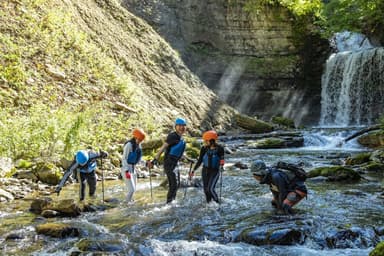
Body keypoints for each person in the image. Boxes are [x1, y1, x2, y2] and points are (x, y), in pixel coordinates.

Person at [151, 117, 191, 204]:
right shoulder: (172, 136)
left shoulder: (181, 138)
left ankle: (172, 201)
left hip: (175, 164)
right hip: (169, 163)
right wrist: (155, 158)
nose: (182, 127)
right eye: (179, 125)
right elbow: (164, 147)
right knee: (173, 184)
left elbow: (179, 152)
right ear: (175, 127)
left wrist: (188, 159)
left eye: (183, 126)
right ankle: (169, 203)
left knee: (177, 184)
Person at [190, 130, 225, 204]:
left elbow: (222, 159)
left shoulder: (220, 148)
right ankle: (209, 205)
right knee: (206, 190)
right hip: (205, 171)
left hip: (215, 171)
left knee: (211, 189)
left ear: (212, 141)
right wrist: (193, 170)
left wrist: (222, 165)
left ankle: (218, 203)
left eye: (206, 141)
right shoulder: (204, 148)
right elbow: (200, 161)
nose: (205, 142)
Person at [121, 128, 146, 203]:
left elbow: (139, 158)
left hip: (133, 169)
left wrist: (146, 163)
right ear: (135, 137)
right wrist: (126, 171)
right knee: (131, 190)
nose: (140, 141)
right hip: (126, 169)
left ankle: (130, 202)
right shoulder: (129, 145)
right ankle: (126, 204)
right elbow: (124, 158)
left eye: (141, 140)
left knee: (134, 189)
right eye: (139, 139)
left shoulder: (139, 146)